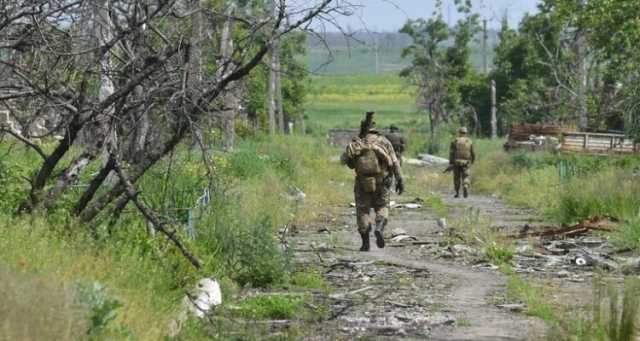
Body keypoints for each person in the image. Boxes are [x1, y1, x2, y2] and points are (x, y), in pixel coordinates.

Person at [341, 112, 404, 251]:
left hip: (362, 183)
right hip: (382, 182)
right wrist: (400, 179)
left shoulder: (357, 142)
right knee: (382, 207)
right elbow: (394, 162)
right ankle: (379, 228)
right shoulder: (383, 141)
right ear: (375, 129)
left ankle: (365, 243)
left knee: (362, 211)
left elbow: (346, 161)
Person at [448, 126, 475, 198]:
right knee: (466, 176)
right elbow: (472, 153)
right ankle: (465, 185)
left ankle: (457, 193)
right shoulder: (469, 141)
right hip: (466, 162)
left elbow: (451, 153)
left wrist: (451, 163)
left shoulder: (455, 141)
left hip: (456, 162)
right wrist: (472, 161)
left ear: (459, 133)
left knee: (456, 178)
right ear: (466, 133)